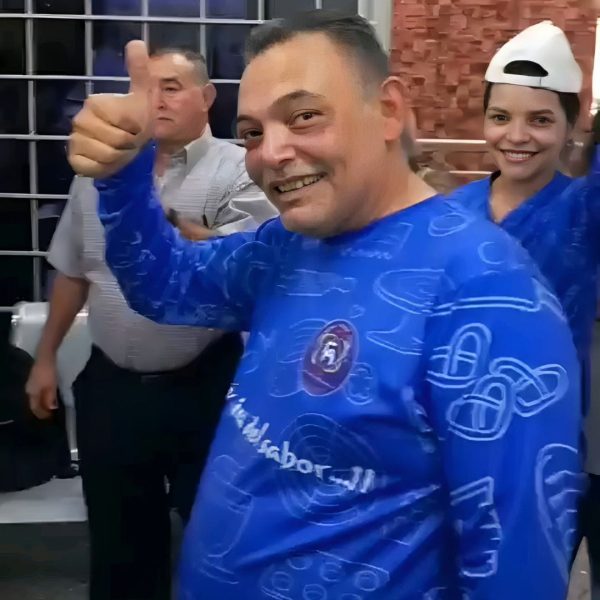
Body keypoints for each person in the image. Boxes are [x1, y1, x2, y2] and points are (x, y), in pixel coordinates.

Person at [68, 11, 583, 599]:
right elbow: (164, 284)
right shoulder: (289, 246)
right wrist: (124, 173)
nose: (271, 153)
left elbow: (514, 564)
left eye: (304, 116)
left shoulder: (489, 296)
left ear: (388, 110)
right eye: (252, 132)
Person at [26, 47, 276, 600]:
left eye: (172, 87)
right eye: (148, 87)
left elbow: (244, 264)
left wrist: (141, 205)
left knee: (221, 540)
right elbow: (73, 270)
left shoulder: (241, 170)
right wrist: (45, 357)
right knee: (119, 546)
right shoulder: (99, 172)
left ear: (207, 98)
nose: (156, 100)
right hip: (112, 387)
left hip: (204, 386)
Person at [445, 21, 600, 592]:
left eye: (540, 120)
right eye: (500, 117)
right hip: (450, 439)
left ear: (571, 127)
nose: (517, 136)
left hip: (544, 448)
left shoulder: (583, 211)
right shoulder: (451, 213)